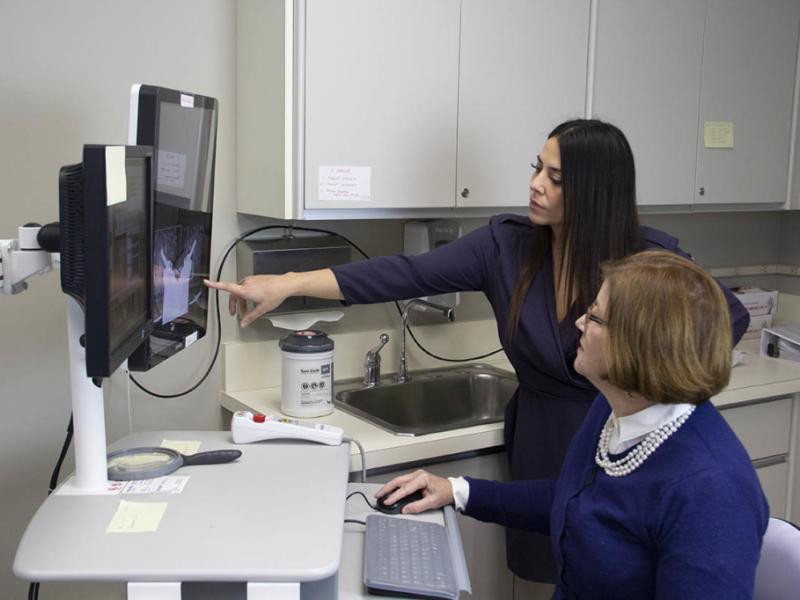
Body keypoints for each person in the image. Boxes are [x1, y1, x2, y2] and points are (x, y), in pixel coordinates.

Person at [205, 119, 749, 583]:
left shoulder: (645, 265)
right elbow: (402, 273)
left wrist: (646, 394)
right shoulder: (507, 245)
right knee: (559, 571)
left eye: (554, 178)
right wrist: (286, 282)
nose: (535, 185)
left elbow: (728, 317)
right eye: (536, 167)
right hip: (546, 433)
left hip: (623, 429)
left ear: (594, 190)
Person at [375, 250, 769, 598]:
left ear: (639, 342)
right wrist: (457, 491)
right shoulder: (614, 409)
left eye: (595, 316)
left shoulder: (711, 492)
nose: (579, 322)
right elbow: (574, 499)